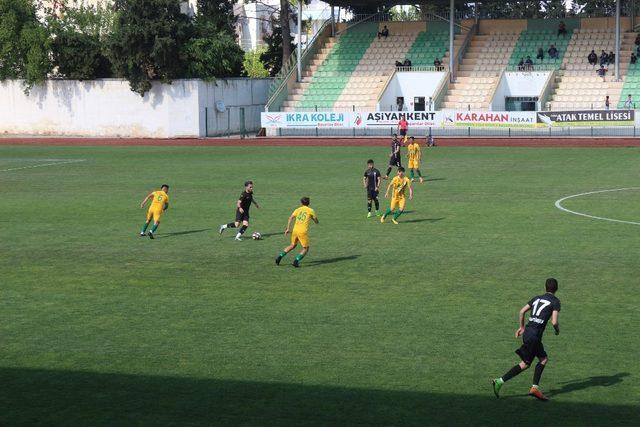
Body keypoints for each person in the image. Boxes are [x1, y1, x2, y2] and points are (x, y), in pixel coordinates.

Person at [491, 278, 561, 401]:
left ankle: (502, 382)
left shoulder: (537, 298)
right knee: (537, 361)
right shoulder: (555, 301)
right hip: (535, 336)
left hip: (528, 333)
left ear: (545, 288)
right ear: (556, 289)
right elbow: (554, 321)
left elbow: (522, 311)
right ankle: (531, 388)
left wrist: (521, 327)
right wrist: (557, 330)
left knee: (533, 362)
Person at [275, 197, 318, 268]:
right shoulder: (311, 210)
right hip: (302, 232)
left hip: (295, 230)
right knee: (306, 248)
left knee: (292, 245)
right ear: (309, 203)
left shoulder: (298, 209)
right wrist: (315, 221)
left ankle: (279, 256)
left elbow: (290, 218)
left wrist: (288, 228)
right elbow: (315, 220)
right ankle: (296, 261)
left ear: (301, 203)